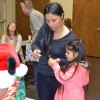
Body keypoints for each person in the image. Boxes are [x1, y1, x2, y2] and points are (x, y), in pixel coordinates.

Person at [32, 2, 76, 100]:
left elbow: (74, 62)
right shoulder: (45, 28)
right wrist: (36, 49)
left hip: (58, 78)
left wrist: (60, 61)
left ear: (62, 16)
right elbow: (35, 43)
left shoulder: (71, 38)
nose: (50, 24)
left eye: (54, 20)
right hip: (42, 74)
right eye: (47, 21)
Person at [20, 0, 44, 87]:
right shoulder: (33, 14)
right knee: (36, 62)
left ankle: (37, 82)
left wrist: (32, 44)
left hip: (39, 43)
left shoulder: (33, 15)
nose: (22, 11)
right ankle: (36, 80)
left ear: (25, 8)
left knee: (37, 63)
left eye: (22, 8)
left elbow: (38, 31)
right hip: (40, 42)